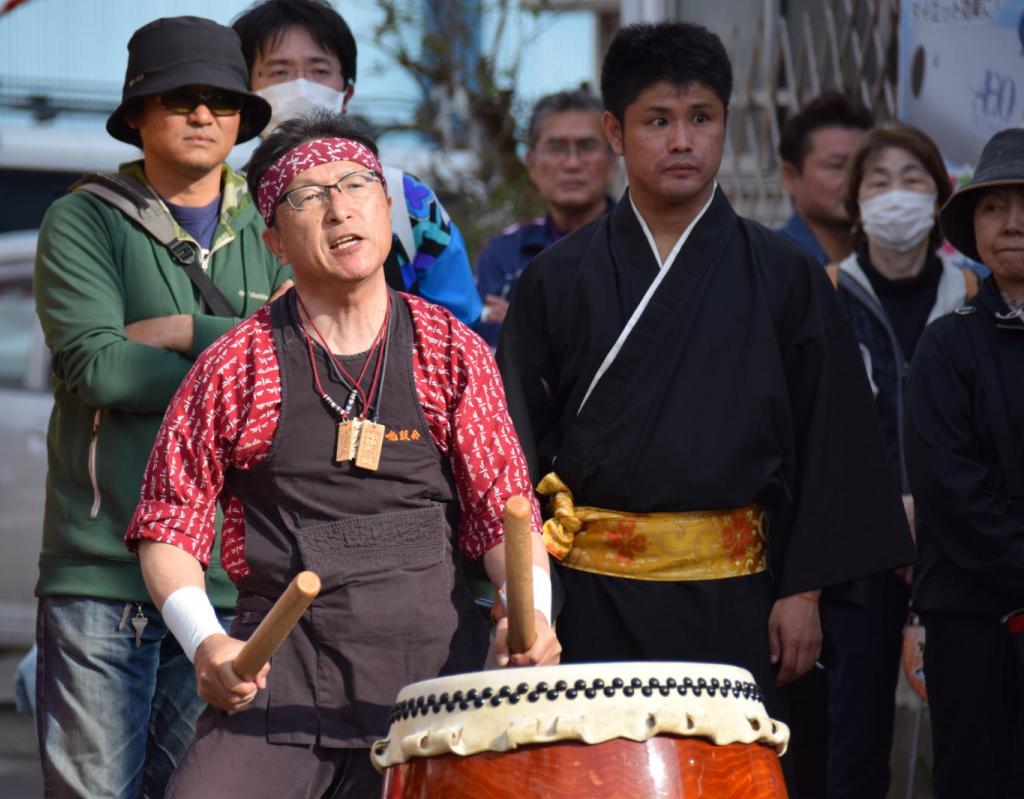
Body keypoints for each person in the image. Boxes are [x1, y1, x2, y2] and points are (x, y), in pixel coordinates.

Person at [496, 21, 915, 789]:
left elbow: (830, 443)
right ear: (616, 133)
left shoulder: (787, 275)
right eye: (658, 121)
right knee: (598, 780)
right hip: (591, 600)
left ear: (727, 123)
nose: (682, 140)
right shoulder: (556, 279)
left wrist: (803, 588)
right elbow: (515, 447)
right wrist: (528, 602)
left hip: (739, 600)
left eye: (702, 118)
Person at [124, 112, 560, 798]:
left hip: (436, 691)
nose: (340, 207)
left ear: (387, 207)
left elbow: (503, 512)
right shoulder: (236, 364)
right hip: (280, 685)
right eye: (309, 194)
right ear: (273, 240)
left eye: (358, 183)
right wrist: (205, 642)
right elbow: (168, 521)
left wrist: (530, 614)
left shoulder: (453, 352)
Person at [32, 17, 292, 798]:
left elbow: (307, 362)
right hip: (100, 570)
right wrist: (247, 350)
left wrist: (185, 330)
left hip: (230, 583)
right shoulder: (82, 218)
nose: (204, 114)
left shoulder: (280, 226)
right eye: (180, 98)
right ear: (138, 113)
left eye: (222, 99)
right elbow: (99, 368)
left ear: (244, 117)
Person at [794, 124, 971, 799]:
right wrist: (880, 510)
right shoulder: (825, 293)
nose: (896, 196)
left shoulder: (977, 296)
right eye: (878, 181)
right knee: (855, 737)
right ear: (855, 201)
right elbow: (813, 432)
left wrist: (936, 507)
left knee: (967, 730)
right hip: (856, 556)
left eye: (913, 180)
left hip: (958, 551)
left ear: (941, 195)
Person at [231, 0, 484, 327]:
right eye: (280, 72)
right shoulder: (223, 205)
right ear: (246, 92)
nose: (301, 86)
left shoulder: (408, 202)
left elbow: (460, 326)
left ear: (346, 93)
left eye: (319, 71)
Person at [906, 127, 1024, 798]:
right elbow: (948, 486)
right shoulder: (946, 347)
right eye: (994, 206)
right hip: (972, 616)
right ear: (972, 226)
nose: (1014, 223)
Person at [474, 89, 617, 347]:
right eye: (557, 148)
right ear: (531, 162)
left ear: (613, 161)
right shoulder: (504, 254)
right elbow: (483, 353)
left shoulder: (641, 244)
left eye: (587, 147)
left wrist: (525, 324)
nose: (572, 163)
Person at [777, 93, 873, 265]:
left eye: (863, 166)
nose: (854, 180)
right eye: (837, 166)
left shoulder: (882, 262)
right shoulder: (769, 263)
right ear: (790, 178)